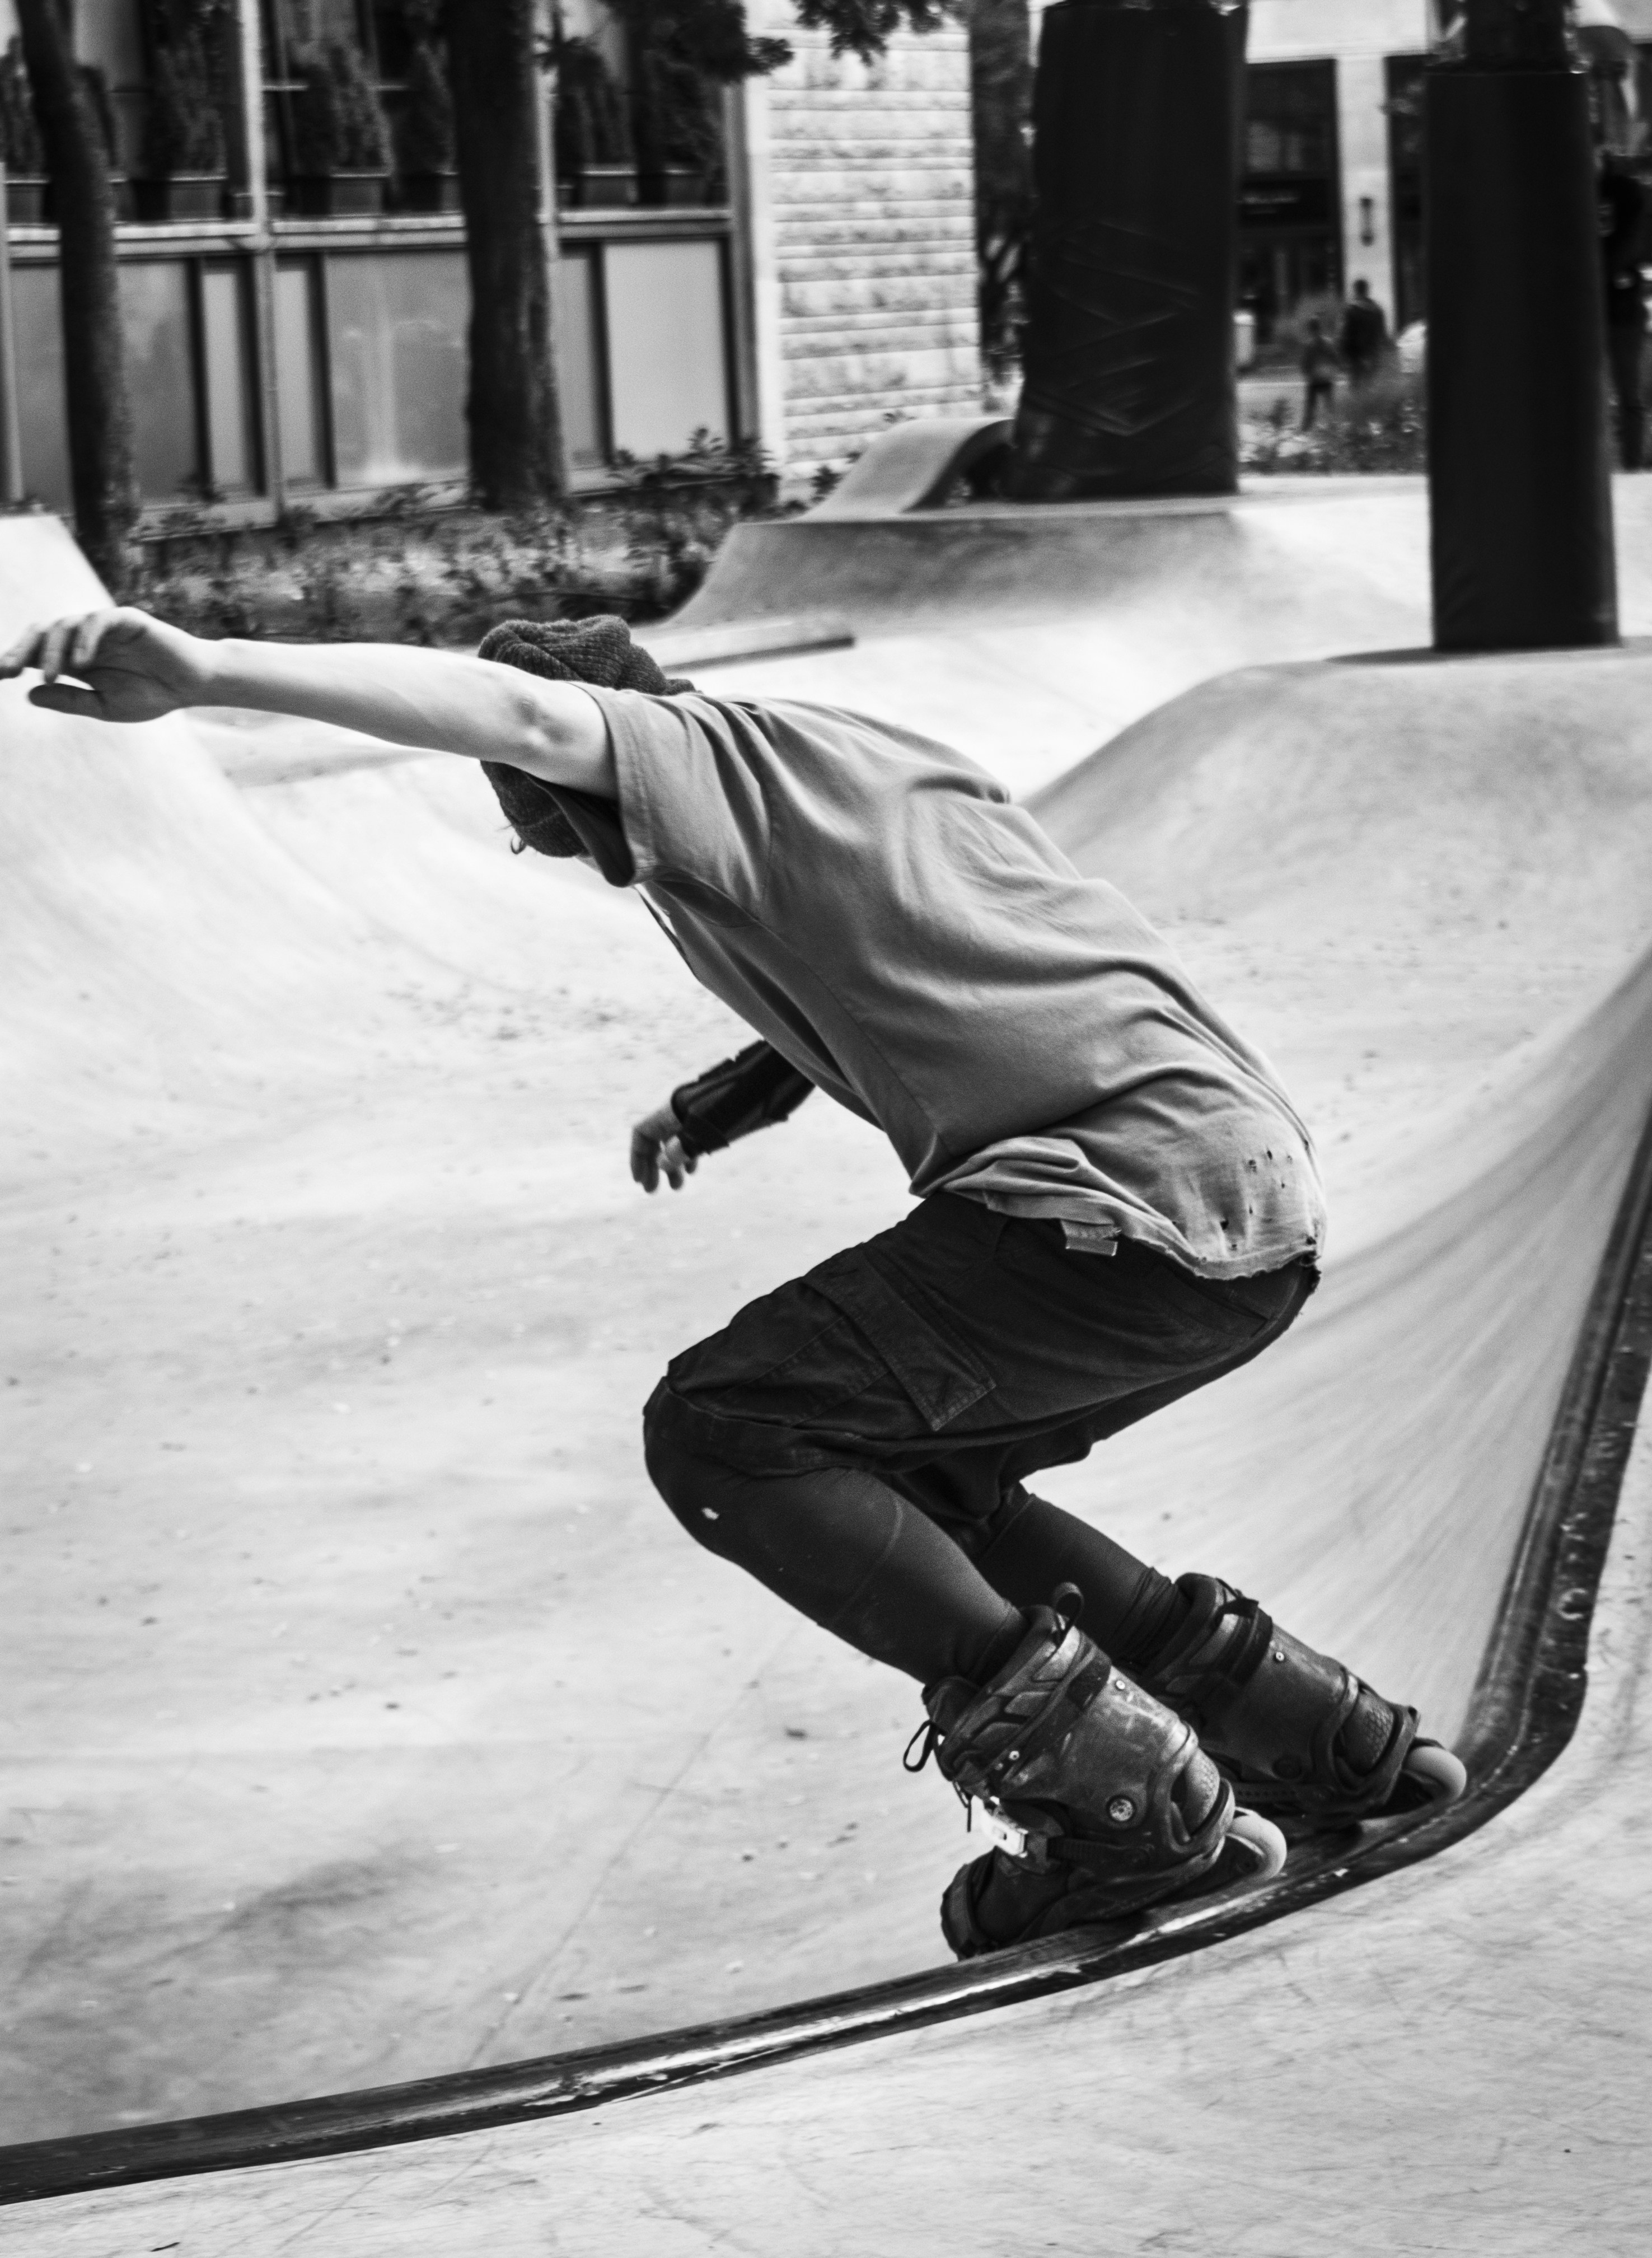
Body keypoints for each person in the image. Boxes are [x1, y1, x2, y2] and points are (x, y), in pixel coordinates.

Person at [1, 604, 1466, 1957]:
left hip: (1106, 1203)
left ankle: (1127, 1817)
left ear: (578, 772)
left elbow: (511, 709)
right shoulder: (835, 764)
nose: (563, 858)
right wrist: (713, 1105)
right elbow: (914, 964)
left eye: (547, 833)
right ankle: (1311, 1737)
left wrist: (203, 667)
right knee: (917, 1478)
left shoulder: (676, 756)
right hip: (1238, 1205)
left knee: (725, 1429)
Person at [1596, 151, 1650, 471]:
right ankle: (1596, 466)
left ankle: (1633, 468)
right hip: (1586, 314)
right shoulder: (1571, 190)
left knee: (1628, 393)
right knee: (1588, 397)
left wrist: (1593, 273)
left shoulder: (1626, 192)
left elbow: (1632, 242)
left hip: (1623, 313)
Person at [1339, 278, 1389, 387]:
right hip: (1373, 354)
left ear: (1356, 290)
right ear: (1367, 290)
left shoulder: (1351, 310)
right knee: (1371, 385)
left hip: (1356, 356)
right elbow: (1383, 334)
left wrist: (1343, 356)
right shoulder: (1377, 309)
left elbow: (1345, 335)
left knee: (1356, 387)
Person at [1299, 314, 1340, 433]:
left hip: (1314, 380)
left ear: (1310, 329)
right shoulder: (1329, 343)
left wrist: (1307, 374)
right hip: (1327, 379)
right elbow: (1336, 359)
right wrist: (1333, 371)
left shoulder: (1309, 345)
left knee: (1311, 405)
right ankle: (1333, 427)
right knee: (1329, 405)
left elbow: (1305, 364)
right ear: (1320, 328)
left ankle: (1306, 428)